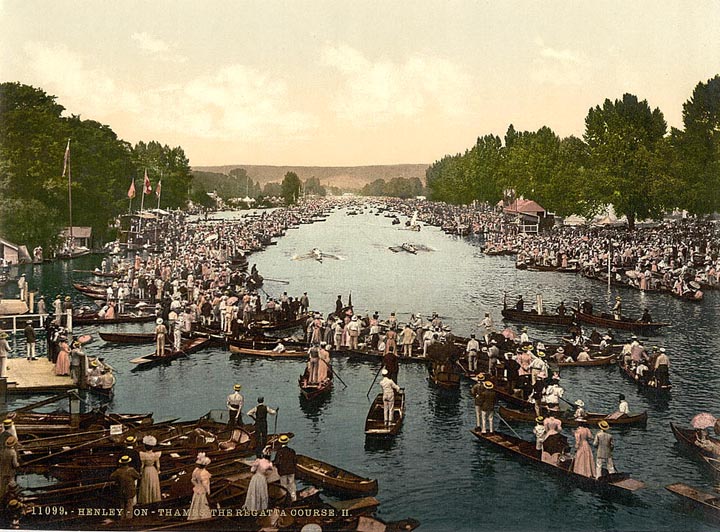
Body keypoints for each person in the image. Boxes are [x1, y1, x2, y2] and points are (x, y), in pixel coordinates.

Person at [110, 456, 141, 521]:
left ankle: (122, 519)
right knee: (129, 506)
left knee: (122, 506)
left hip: (121, 491)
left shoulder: (118, 471)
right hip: (130, 491)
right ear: (128, 463)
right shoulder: (131, 470)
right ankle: (129, 520)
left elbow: (111, 477)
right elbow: (138, 476)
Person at [188, 453, 212, 520]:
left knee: (196, 501)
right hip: (202, 489)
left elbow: (192, 480)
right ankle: (203, 516)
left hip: (197, 488)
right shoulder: (205, 473)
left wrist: (197, 485)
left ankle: (194, 516)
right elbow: (205, 484)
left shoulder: (196, 470)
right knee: (203, 502)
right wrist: (208, 490)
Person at [138, 436, 161, 504]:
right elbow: (158, 465)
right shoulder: (155, 455)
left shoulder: (143, 455)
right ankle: (154, 499)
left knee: (146, 485)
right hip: (153, 470)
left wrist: (141, 472)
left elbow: (142, 466)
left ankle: (146, 500)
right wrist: (157, 471)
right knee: (154, 485)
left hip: (146, 470)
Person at [273, 434, 297, 501]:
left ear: (280, 442)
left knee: (283, 485)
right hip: (291, 470)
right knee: (292, 485)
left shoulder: (279, 452)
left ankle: (284, 499)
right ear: (287, 442)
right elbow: (295, 461)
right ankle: (293, 499)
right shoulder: (292, 451)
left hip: (283, 471)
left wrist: (275, 465)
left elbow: (277, 462)